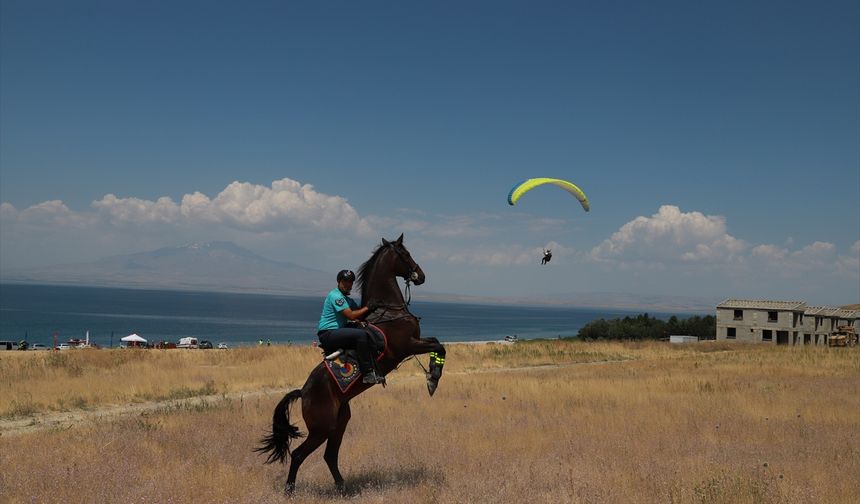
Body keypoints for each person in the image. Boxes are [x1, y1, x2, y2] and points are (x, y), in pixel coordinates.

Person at [317, 270, 385, 384]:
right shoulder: (336, 296)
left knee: (364, 329)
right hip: (327, 333)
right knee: (361, 335)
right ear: (339, 282)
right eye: (345, 281)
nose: (348, 284)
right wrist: (368, 307)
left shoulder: (347, 299)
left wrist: (377, 304)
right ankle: (367, 374)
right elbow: (352, 315)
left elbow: (359, 311)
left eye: (350, 282)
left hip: (338, 330)